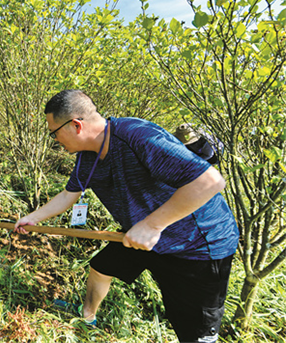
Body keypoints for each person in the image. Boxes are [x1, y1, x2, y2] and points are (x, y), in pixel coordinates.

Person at [14, 90, 239, 343]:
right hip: (142, 236)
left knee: (193, 331)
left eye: (53, 132)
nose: (54, 139)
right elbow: (69, 195)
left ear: (76, 125)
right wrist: (32, 217)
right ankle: (87, 315)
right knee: (102, 267)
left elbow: (210, 182)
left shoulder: (138, 136)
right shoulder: (87, 157)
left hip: (196, 245)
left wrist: (153, 225)